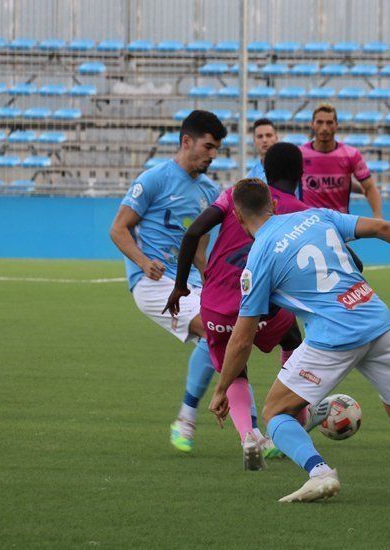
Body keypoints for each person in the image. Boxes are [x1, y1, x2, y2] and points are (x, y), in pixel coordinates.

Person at [208, 179, 390, 504]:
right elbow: (380, 226)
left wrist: (223, 388)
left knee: (276, 411)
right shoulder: (315, 216)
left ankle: (320, 474)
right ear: (275, 204)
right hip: (376, 320)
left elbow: (241, 338)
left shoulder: (258, 258)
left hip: (333, 335)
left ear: (237, 218)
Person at [164, 143, 309, 469]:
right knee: (293, 341)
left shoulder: (235, 196)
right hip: (263, 307)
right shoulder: (299, 209)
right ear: (301, 173)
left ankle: (249, 437)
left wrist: (179, 286)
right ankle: (295, 413)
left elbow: (194, 232)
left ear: (265, 170)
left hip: (217, 306)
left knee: (235, 369)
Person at [109, 110, 225, 453]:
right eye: (208, 146)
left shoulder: (209, 191)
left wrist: (217, 284)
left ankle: (253, 434)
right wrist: (144, 262)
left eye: (217, 148)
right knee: (214, 329)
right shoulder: (155, 179)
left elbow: (202, 252)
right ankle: (188, 420)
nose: (213, 154)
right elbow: (118, 228)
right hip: (153, 285)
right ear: (186, 141)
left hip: (191, 283)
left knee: (230, 341)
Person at [299, 103, 383, 218]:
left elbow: (369, 187)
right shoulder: (299, 154)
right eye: (320, 122)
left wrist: (377, 215)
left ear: (336, 125)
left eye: (329, 123)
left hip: (340, 222)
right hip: (309, 222)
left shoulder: (351, 154)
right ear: (312, 124)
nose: (324, 128)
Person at [245, 118, 278, 183]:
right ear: (254, 141)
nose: (264, 140)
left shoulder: (289, 170)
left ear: (276, 138)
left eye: (268, 135)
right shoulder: (250, 178)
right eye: (260, 136)